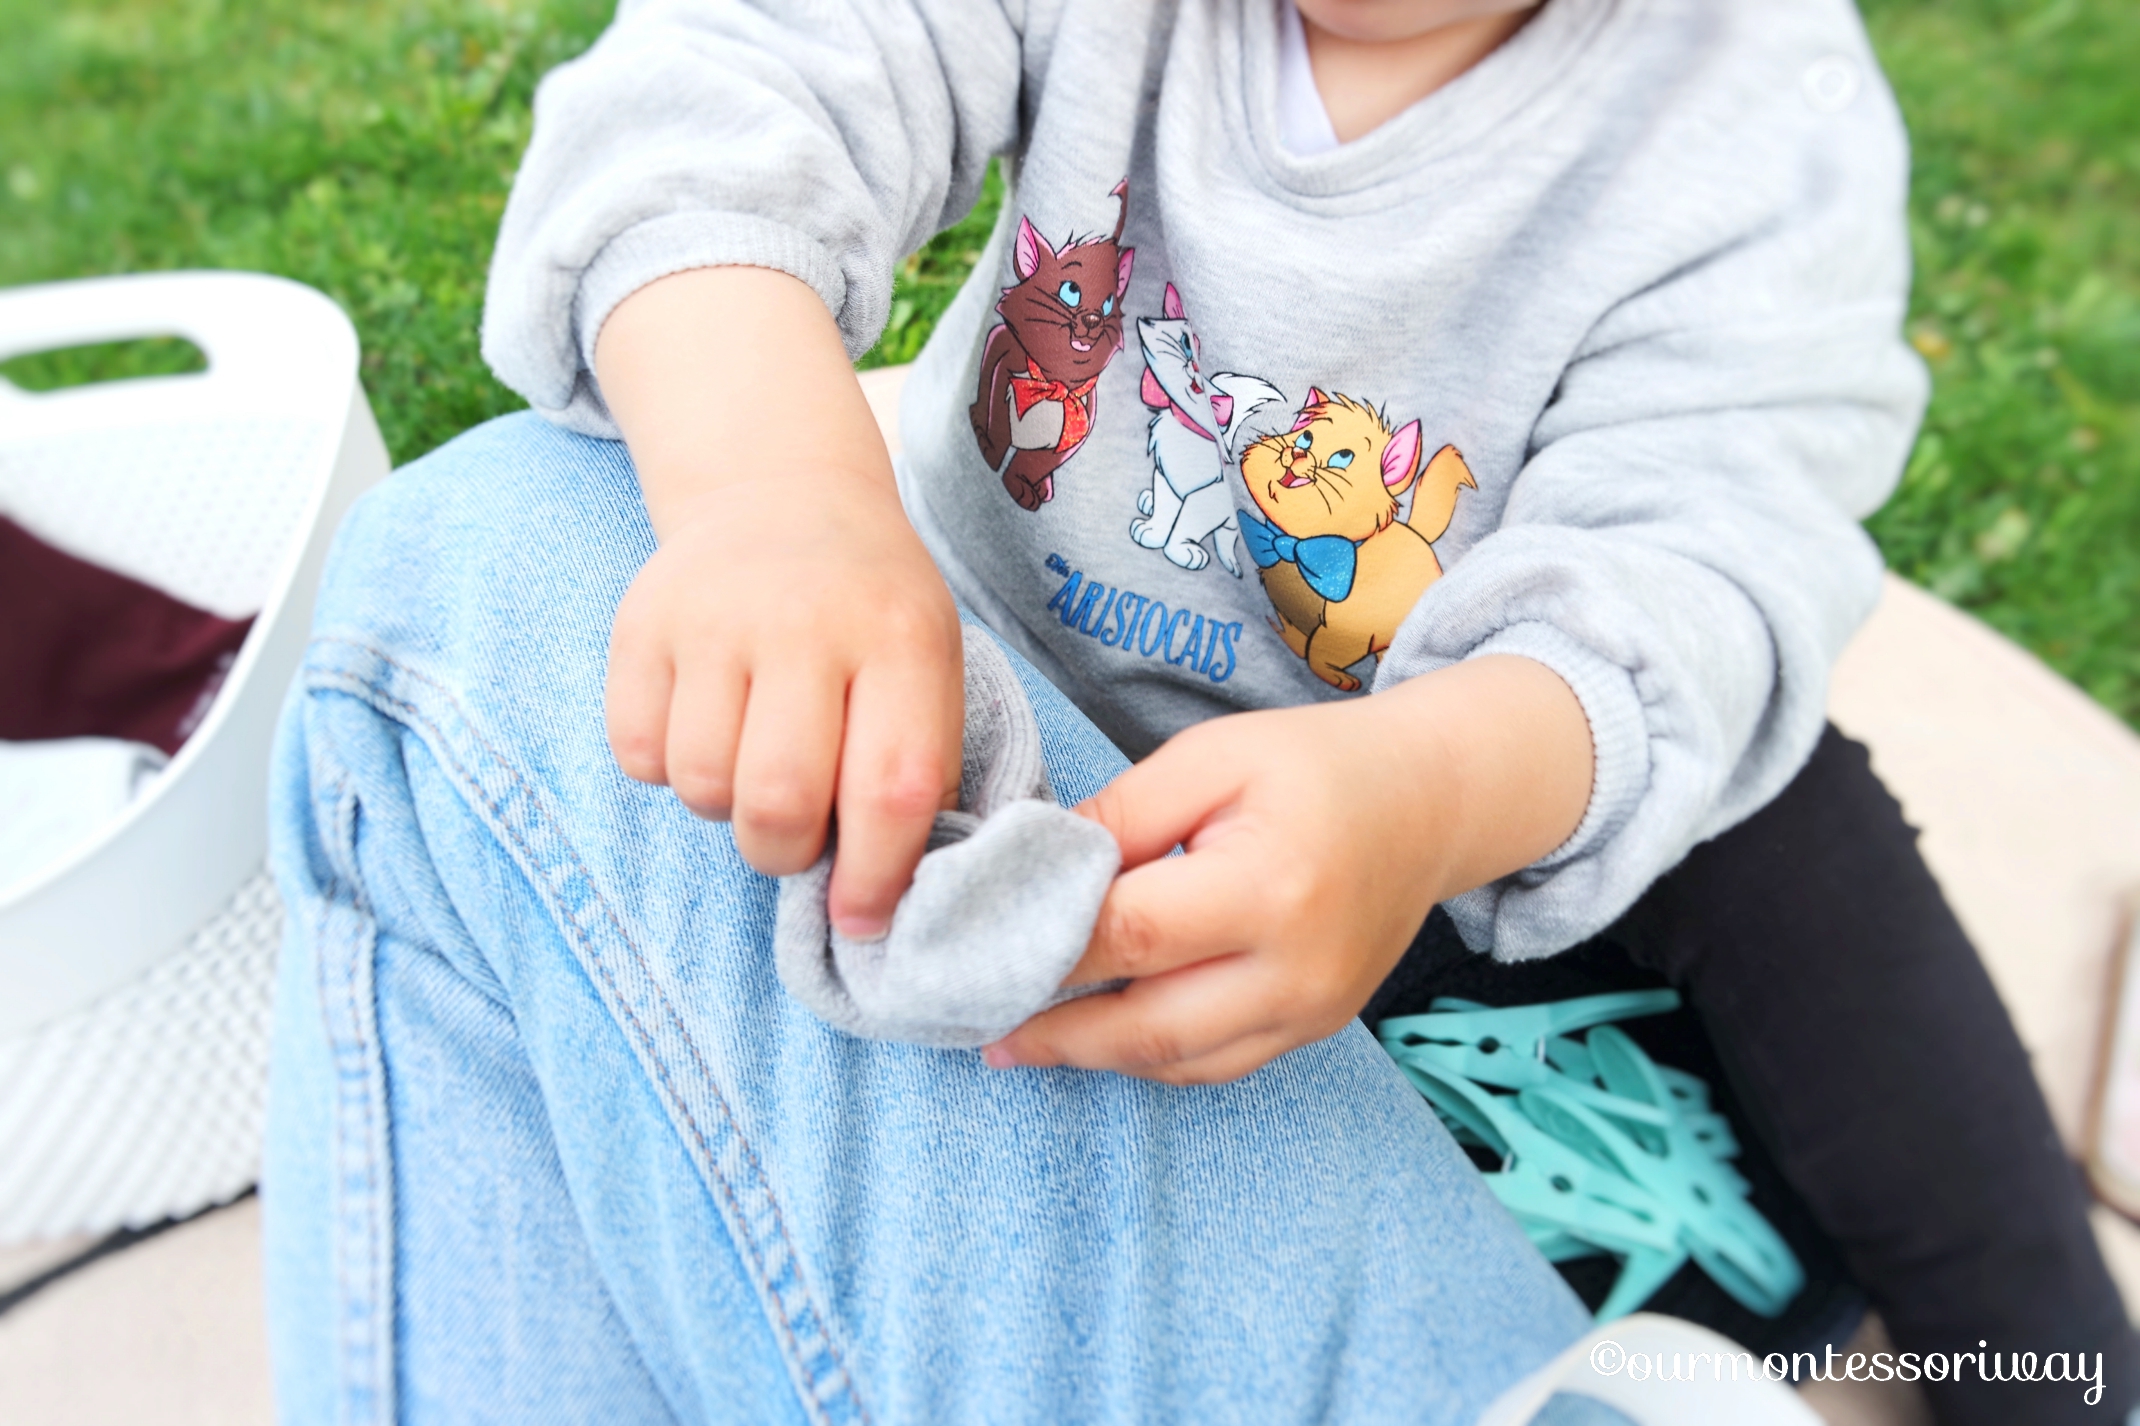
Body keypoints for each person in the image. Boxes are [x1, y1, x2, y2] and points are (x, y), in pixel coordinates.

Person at [264, 0, 2137, 1421]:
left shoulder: (1751, 115)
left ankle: (2051, 1367)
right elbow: (739, 82)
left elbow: (1700, 569)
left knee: (1791, 821)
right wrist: (778, 498)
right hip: (1049, 761)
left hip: (1464, 829)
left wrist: (1419, 788)